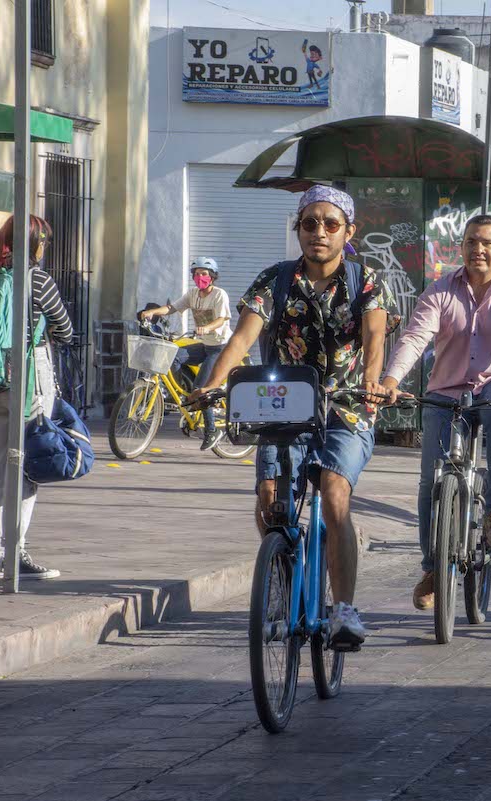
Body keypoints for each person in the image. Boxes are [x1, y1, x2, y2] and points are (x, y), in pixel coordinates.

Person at [190, 185, 394, 649]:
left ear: (348, 231)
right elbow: (240, 341)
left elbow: (375, 339)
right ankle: (281, 572)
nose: (318, 232)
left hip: (346, 404)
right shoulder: (275, 280)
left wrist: (374, 383)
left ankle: (343, 610)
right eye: (309, 223)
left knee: (335, 494)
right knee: (269, 502)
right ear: (298, 227)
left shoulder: (366, 281)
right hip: (282, 403)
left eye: (330, 224)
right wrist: (212, 384)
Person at [379, 214, 491, 613]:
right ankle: (433, 568)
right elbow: (416, 336)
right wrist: (390, 378)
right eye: (471, 242)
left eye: (487, 243)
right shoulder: (439, 291)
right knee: (429, 479)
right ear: (462, 247)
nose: (478, 250)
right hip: (447, 388)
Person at [0, 215, 73, 581]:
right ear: (35, 244)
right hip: (29, 381)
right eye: (43, 243)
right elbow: (65, 329)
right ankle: (16, 552)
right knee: (27, 468)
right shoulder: (38, 279)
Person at [139, 258, 232, 449]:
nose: (200, 277)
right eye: (196, 274)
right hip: (204, 345)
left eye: (204, 274)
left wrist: (207, 328)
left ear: (212, 276)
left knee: (201, 387)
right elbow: (173, 308)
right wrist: (152, 312)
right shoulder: (192, 294)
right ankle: (185, 395)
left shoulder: (219, 295)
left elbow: (222, 319)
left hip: (220, 347)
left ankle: (211, 430)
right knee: (173, 355)